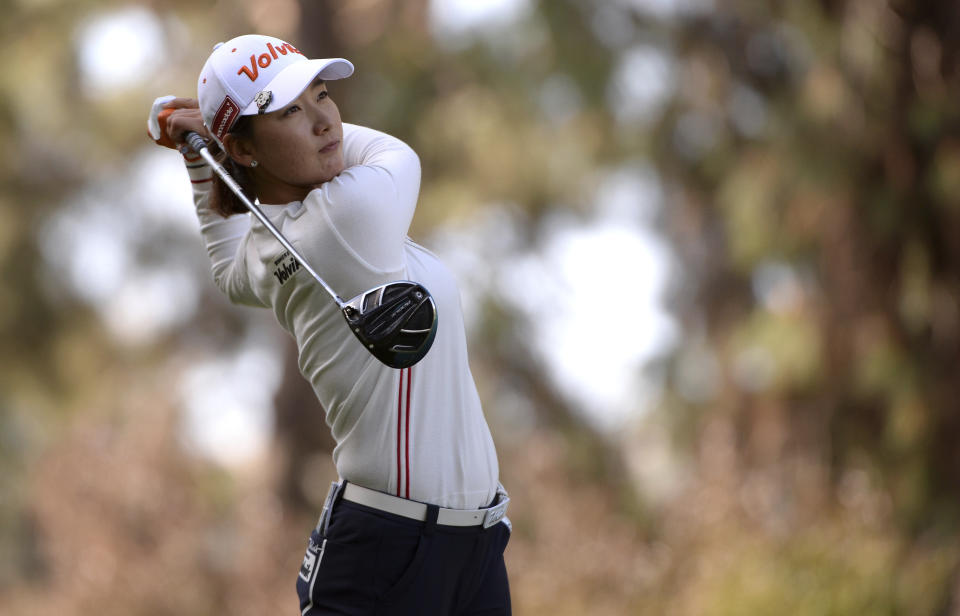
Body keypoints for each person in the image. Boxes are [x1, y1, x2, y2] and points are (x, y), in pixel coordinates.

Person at [148, 34, 512, 615]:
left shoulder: (270, 248)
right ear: (243, 150)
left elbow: (226, 267)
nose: (324, 121)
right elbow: (396, 154)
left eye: (322, 95)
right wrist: (205, 136)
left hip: (472, 544)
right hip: (391, 553)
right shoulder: (350, 213)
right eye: (290, 109)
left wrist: (200, 151)